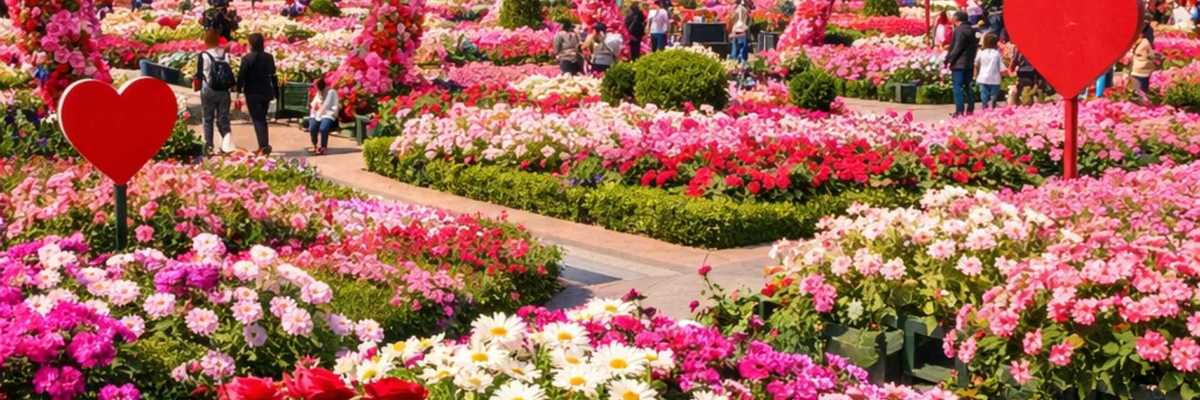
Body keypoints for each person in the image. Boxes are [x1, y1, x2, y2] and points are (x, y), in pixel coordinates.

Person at [237, 33, 278, 156]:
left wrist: (238, 89)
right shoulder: (269, 57)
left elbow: (241, 75)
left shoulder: (247, 58)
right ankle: (263, 145)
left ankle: (264, 146)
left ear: (251, 44)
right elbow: (273, 74)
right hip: (266, 91)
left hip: (252, 92)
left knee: (258, 119)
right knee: (262, 118)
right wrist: (276, 91)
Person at [196, 30, 234, 156]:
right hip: (224, 91)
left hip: (208, 90)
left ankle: (209, 147)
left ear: (206, 41)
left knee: (208, 119)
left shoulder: (204, 55)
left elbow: (199, 74)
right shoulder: (225, 54)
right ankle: (227, 146)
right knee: (224, 118)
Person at [944, 11, 977, 116]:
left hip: (959, 64)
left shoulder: (959, 30)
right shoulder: (971, 30)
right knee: (968, 87)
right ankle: (970, 109)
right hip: (969, 63)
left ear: (957, 18)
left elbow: (957, 47)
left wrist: (949, 59)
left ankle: (959, 110)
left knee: (957, 87)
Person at [307, 78, 338, 156]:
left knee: (323, 128)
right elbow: (314, 104)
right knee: (312, 128)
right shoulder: (318, 92)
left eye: (315, 86)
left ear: (319, 86)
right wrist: (314, 106)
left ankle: (323, 147)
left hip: (328, 114)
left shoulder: (331, 92)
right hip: (316, 114)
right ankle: (315, 145)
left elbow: (329, 106)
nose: (314, 88)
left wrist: (320, 107)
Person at [1130, 24, 1160, 103]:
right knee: (1143, 90)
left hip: (1135, 69)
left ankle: (1135, 102)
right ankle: (1142, 103)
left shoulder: (1136, 41)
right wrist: (1157, 58)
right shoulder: (1146, 42)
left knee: (1136, 89)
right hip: (1143, 70)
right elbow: (1151, 55)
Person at [974, 33, 1003, 109]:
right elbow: (1001, 66)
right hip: (995, 77)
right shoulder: (997, 53)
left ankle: (984, 105)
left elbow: (976, 64)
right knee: (994, 94)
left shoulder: (981, 52)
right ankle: (993, 105)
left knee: (984, 93)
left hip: (983, 76)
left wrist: (976, 74)